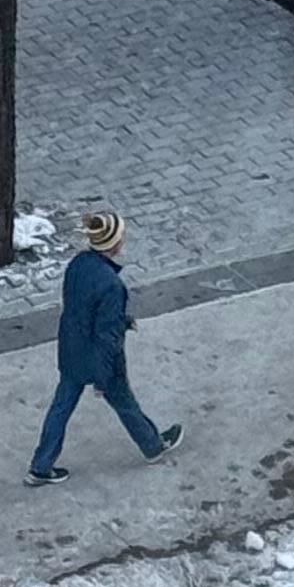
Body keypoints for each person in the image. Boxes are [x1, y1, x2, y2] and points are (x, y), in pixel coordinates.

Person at [29, 206, 182, 483]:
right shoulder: (112, 285)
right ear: (114, 244)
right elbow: (106, 336)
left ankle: (40, 466)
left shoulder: (77, 265)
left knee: (61, 406)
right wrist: (102, 376)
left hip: (71, 349)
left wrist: (121, 321)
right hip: (100, 359)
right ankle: (152, 446)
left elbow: (82, 310)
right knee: (123, 401)